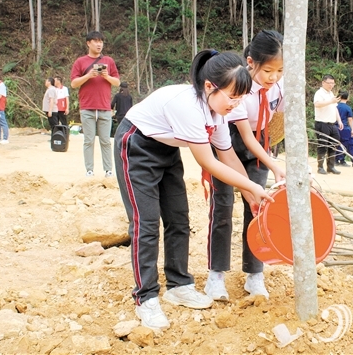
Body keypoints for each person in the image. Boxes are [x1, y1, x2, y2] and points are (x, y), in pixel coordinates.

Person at [114, 49, 274, 331]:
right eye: (232, 98)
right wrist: (249, 186)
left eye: (240, 99)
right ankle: (146, 298)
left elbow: (229, 157)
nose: (236, 106)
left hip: (167, 150)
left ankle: (178, 285)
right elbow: (209, 161)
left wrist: (252, 196)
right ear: (210, 86)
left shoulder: (218, 112)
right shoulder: (187, 105)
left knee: (179, 219)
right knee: (146, 223)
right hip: (136, 146)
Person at [205, 30, 286, 302]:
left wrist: (273, 159)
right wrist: (273, 165)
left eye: (279, 70)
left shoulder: (280, 87)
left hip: (261, 145)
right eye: (268, 71)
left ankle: (255, 274)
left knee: (258, 207)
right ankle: (216, 275)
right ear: (251, 62)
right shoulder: (238, 88)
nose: (273, 77)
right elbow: (245, 138)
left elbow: (279, 123)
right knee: (223, 207)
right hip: (230, 141)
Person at [71, 31, 120, 178]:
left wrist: (106, 76)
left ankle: (108, 170)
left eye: (101, 41)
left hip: (105, 107)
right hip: (87, 107)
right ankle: (89, 170)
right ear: (88, 43)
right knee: (89, 140)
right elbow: (73, 83)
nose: (99, 44)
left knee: (106, 141)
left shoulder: (109, 61)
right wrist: (88, 75)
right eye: (96, 41)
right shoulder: (80, 62)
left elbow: (117, 82)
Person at [314, 74, 343, 175]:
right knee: (323, 145)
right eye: (329, 83)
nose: (331, 85)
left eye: (332, 83)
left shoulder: (331, 94)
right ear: (323, 83)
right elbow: (317, 104)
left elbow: (335, 108)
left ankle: (331, 166)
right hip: (322, 123)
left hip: (332, 123)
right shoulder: (319, 93)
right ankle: (320, 167)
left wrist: (339, 121)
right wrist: (330, 101)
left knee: (334, 144)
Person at [335, 90, 353, 166]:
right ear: (347, 98)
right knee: (344, 144)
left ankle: (335, 159)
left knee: (335, 143)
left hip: (335, 126)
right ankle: (342, 160)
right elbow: (350, 119)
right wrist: (352, 129)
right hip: (344, 128)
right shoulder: (348, 108)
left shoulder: (335, 106)